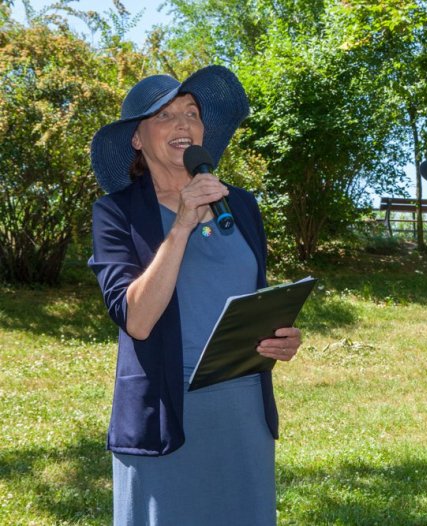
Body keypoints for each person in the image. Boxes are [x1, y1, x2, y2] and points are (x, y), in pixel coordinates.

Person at [89, 65, 300, 525]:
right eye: (165, 116)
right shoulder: (116, 214)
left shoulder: (240, 205)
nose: (183, 124)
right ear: (137, 140)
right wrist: (182, 224)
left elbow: (250, 300)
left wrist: (281, 337)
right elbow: (137, 319)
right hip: (165, 412)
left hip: (243, 408)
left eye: (192, 113)